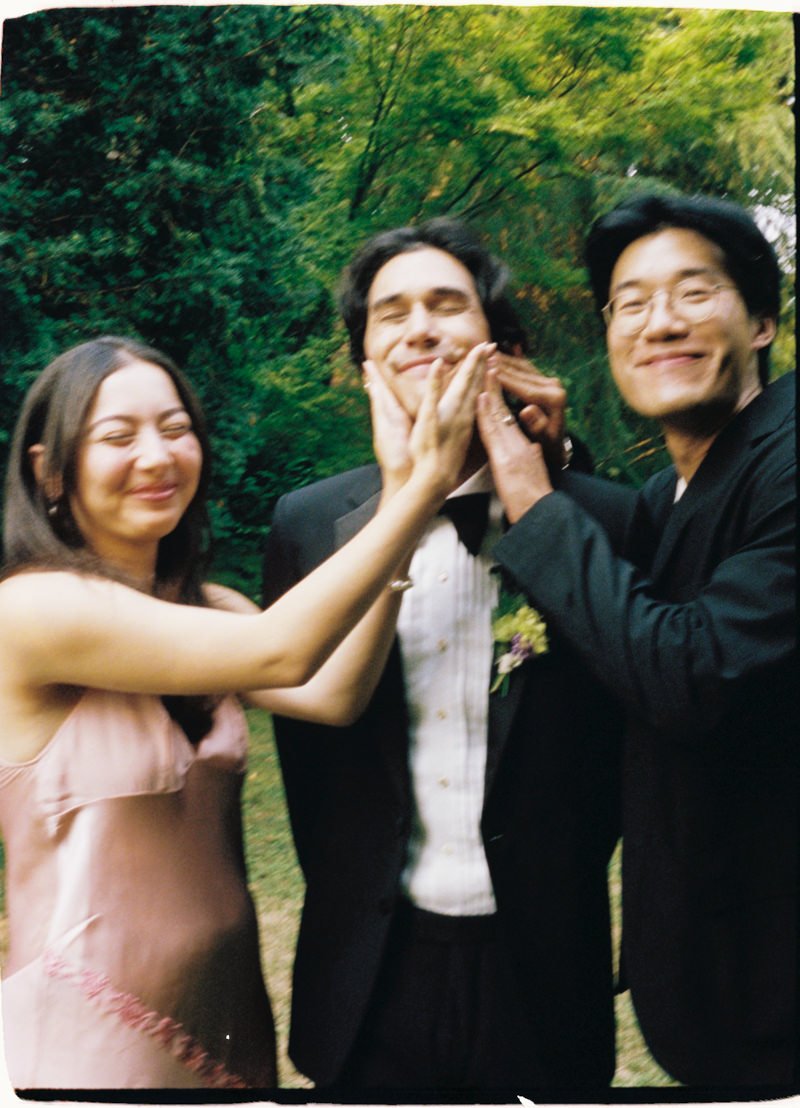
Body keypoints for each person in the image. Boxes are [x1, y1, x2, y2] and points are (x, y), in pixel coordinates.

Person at [0, 332, 487, 1090]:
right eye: (119, 437)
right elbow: (282, 651)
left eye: (176, 428)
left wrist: (401, 504)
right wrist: (422, 487)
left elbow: (333, 692)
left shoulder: (211, 606)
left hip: (228, 1015)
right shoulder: (31, 610)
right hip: (86, 1032)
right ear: (50, 471)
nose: (157, 456)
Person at [262, 219, 633, 1093]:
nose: (419, 328)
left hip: (545, 966)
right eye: (391, 314)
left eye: (446, 305)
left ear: (499, 344)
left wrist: (555, 468)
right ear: (364, 359)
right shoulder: (306, 525)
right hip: (368, 968)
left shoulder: (607, 519)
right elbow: (306, 759)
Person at [479, 192, 797, 1088]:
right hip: (712, 991)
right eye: (631, 303)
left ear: (763, 321)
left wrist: (532, 501)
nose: (661, 323)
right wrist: (560, 473)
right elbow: (623, 621)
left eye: (694, 293)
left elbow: (688, 671)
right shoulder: (670, 493)